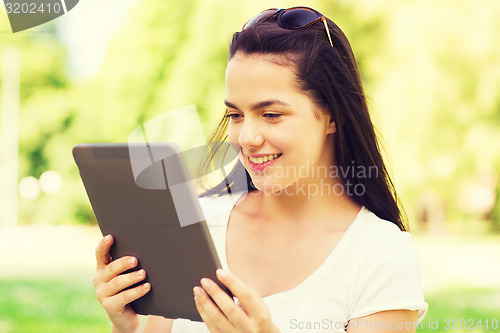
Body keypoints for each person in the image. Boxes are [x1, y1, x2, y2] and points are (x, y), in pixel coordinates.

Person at [93, 6, 428, 333]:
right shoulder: (196, 227)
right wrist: (128, 328)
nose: (246, 138)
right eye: (236, 116)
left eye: (271, 114)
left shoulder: (379, 256)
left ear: (332, 116)